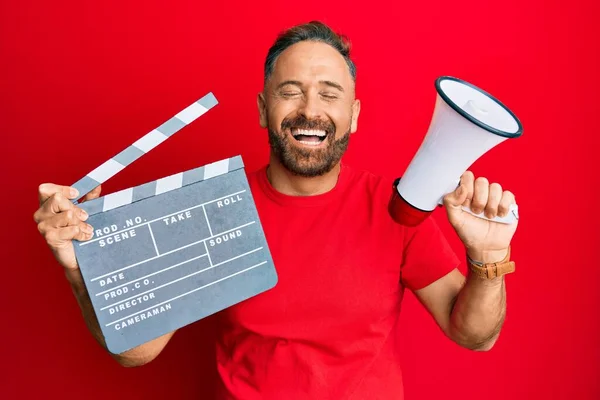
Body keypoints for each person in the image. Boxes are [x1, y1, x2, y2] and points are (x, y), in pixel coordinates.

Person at [33, 21, 519, 400]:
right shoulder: (214, 208)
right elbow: (135, 352)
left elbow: (474, 336)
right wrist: (82, 271)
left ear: (354, 115)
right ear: (264, 109)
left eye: (330, 94)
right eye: (291, 91)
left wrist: (489, 259)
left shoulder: (396, 210)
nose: (311, 109)